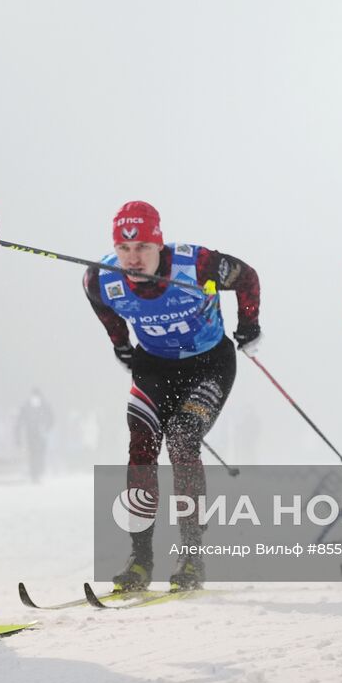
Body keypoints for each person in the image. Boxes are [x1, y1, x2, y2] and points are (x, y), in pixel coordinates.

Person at [84, 201, 261, 591]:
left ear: (159, 244)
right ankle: (140, 558)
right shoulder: (101, 279)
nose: (133, 258)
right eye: (124, 249)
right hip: (155, 366)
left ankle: (192, 555)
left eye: (143, 248)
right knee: (141, 445)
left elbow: (247, 277)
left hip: (209, 364)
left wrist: (248, 325)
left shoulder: (195, 265)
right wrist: (121, 344)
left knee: (182, 439)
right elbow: (102, 306)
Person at [15, 388, 54, 483]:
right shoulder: (30, 405)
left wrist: (47, 427)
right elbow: (20, 420)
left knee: (38, 453)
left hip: (39, 433)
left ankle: (37, 472)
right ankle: (35, 474)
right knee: (35, 453)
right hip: (33, 433)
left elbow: (51, 418)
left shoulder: (42, 405)